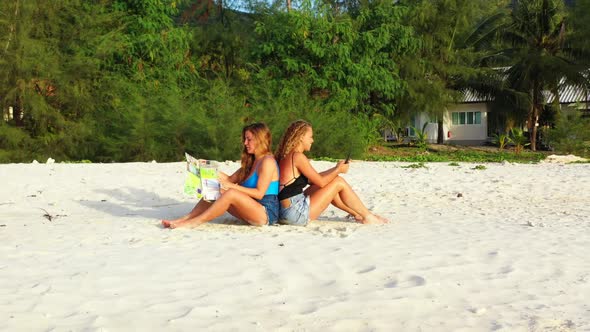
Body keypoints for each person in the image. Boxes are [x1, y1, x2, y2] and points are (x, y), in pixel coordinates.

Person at [162, 123, 280, 228]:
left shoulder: (267, 161)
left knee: (231, 193)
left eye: (249, 139)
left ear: (259, 139)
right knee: (215, 189)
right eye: (245, 139)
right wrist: (204, 166)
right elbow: (229, 179)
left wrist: (231, 186)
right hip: (250, 208)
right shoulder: (252, 161)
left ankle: (196, 221)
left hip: (266, 212)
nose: (245, 143)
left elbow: (259, 193)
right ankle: (186, 218)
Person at [274, 120, 388, 226]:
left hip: (285, 210)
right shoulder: (298, 157)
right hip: (295, 213)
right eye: (310, 137)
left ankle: (357, 213)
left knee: (332, 180)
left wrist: (336, 169)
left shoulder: (287, 156)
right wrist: (338, 170)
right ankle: (368, 216)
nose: (312, 140)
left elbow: (316, 180)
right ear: (301, 137)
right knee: (338, 182)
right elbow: (321, 182)